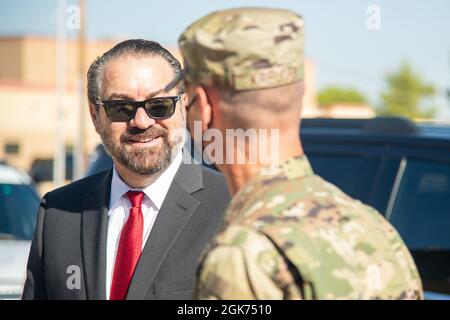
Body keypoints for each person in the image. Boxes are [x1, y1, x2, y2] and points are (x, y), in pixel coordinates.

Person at [176, 7, 424, 299]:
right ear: (299, 93)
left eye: (187, 101)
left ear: (204, 107)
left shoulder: (243, 254)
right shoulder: (376, 228)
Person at [22, 39, 230, 300]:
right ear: (96, 116)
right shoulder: (58, 213)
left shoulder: (231, 210)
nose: (141, 122)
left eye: (159, 106)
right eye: (121, 108)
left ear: (183, 107)